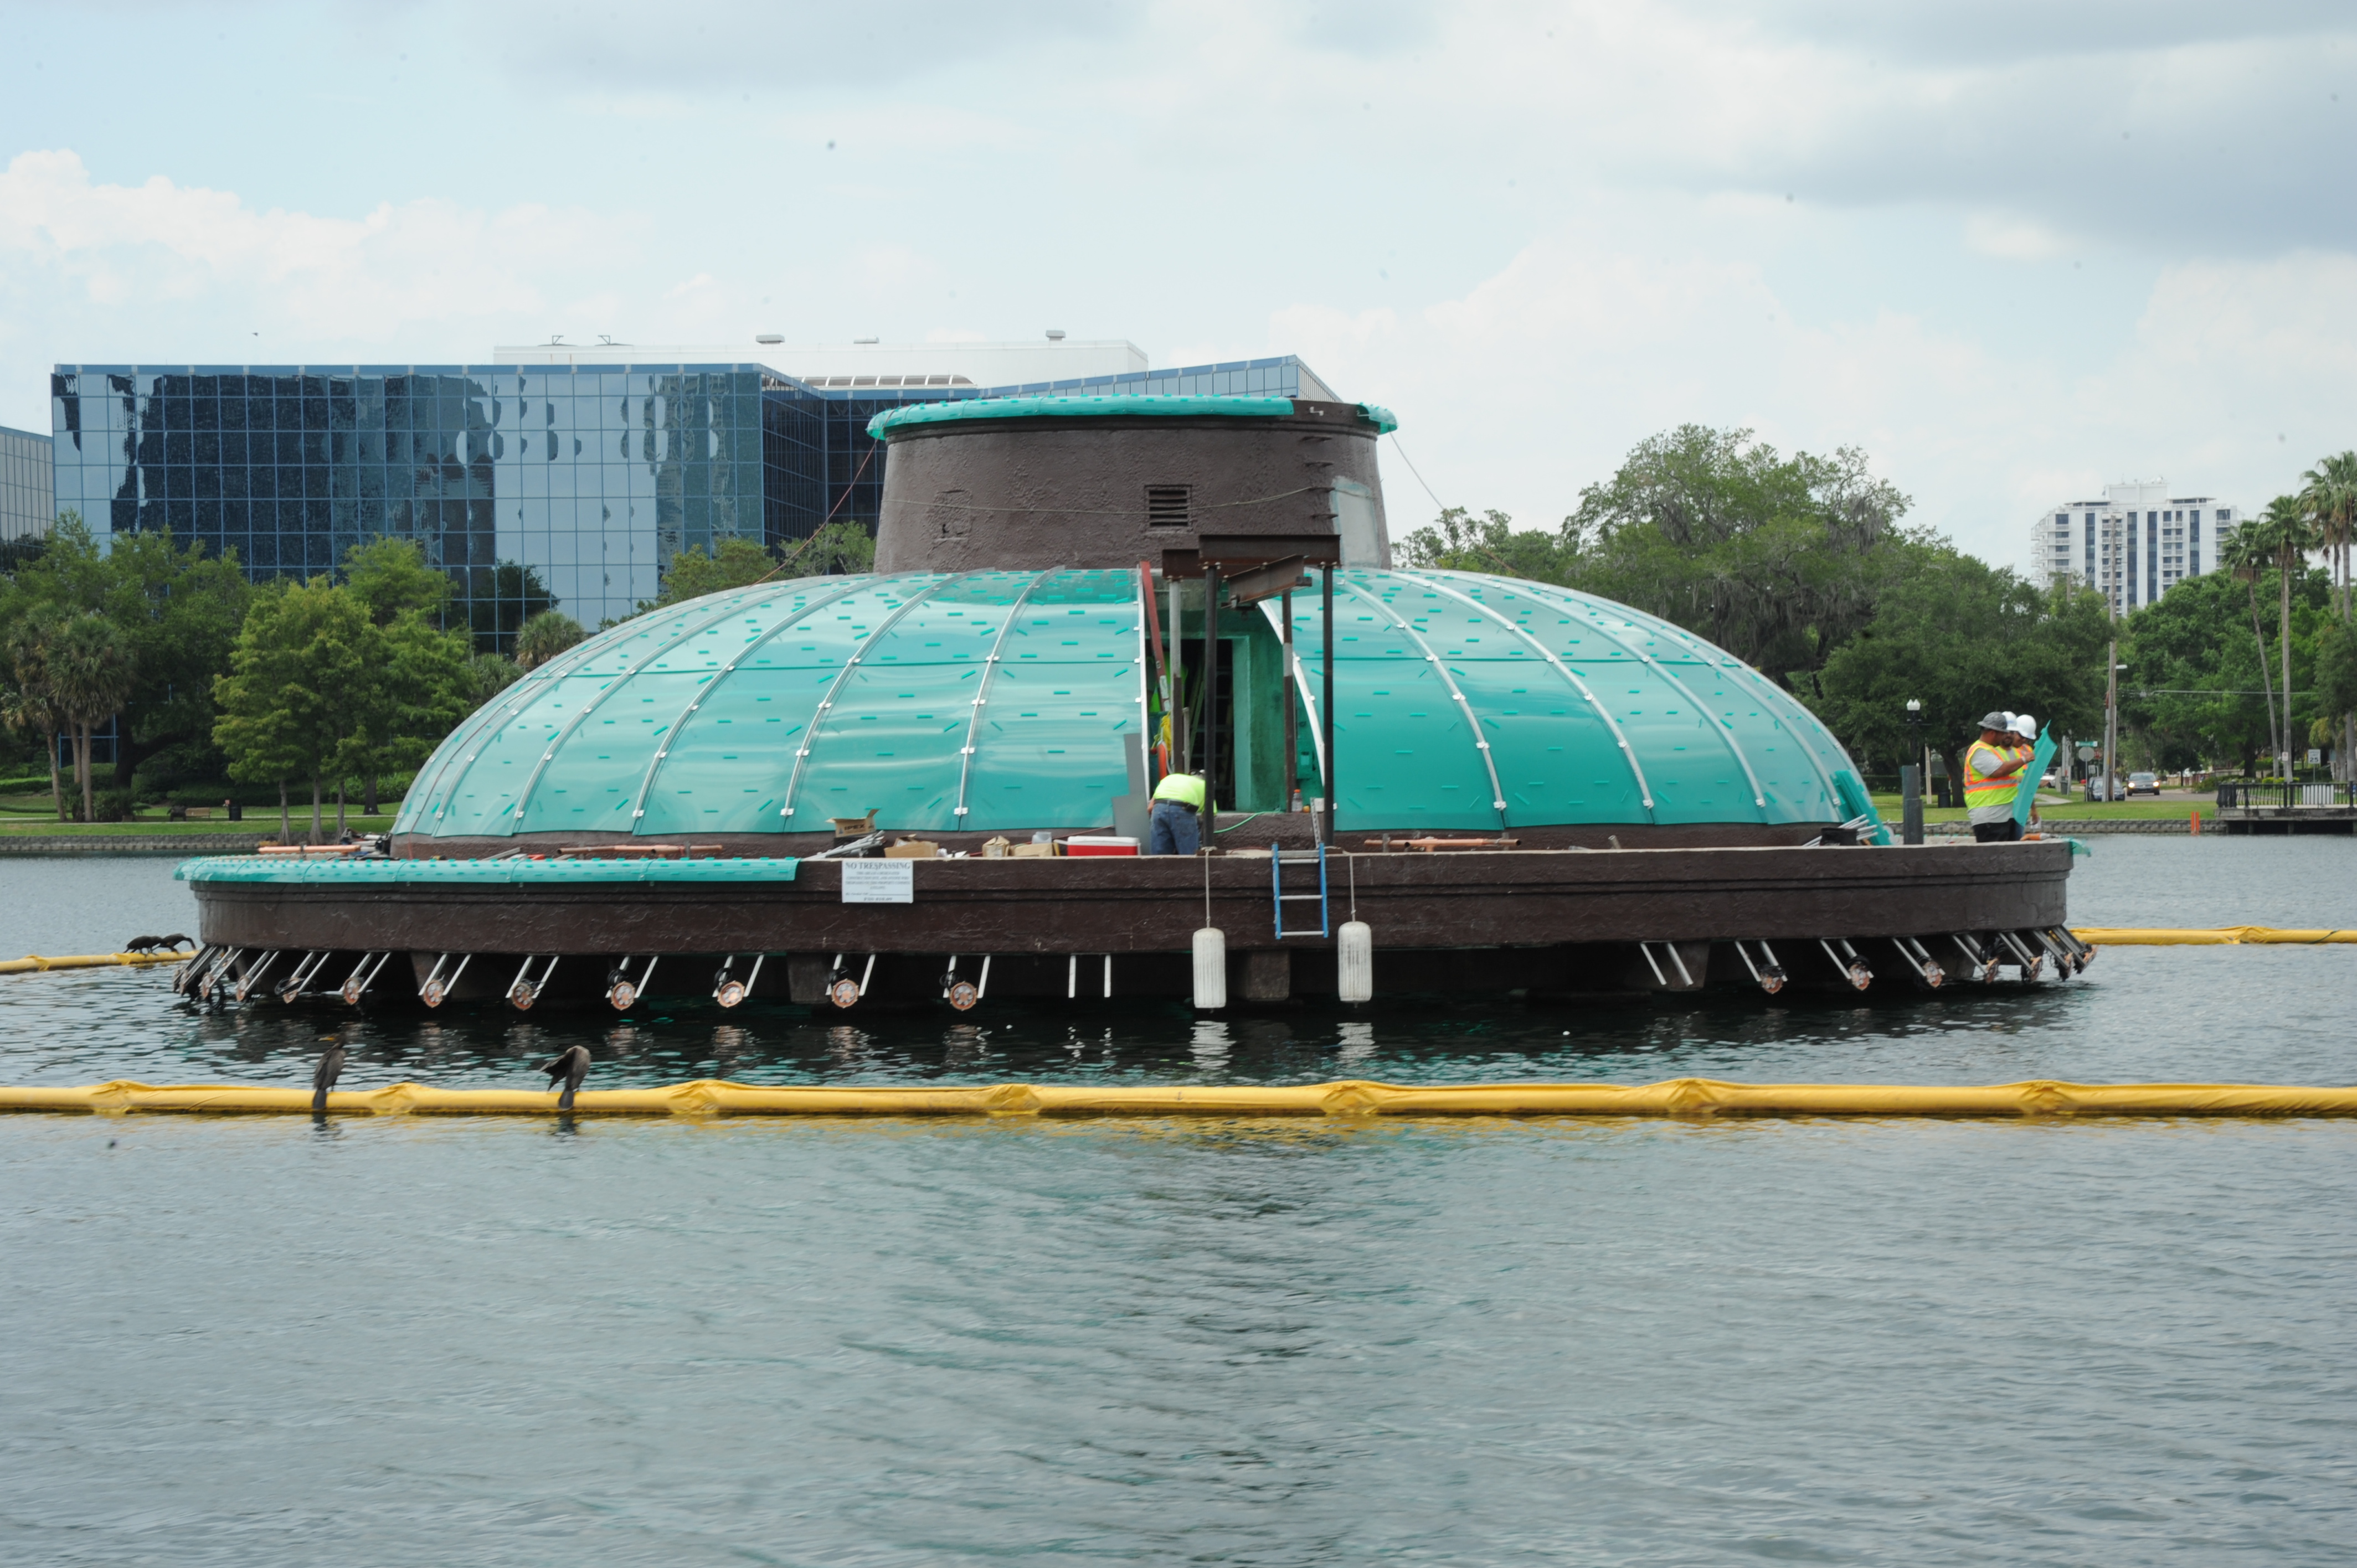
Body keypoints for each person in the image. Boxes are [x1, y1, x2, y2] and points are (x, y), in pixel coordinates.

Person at [1962, 711, 2031, 842]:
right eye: (2003, 733)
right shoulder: (1979, 750)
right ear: (1993, 733)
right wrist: (2024, 759)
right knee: (1993, 858)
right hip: (1989, 815)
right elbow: (1999, 770)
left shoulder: (1992, 750)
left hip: (2003, 813)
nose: (2004, 737)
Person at [1147, 771, 1206, 855]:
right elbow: (1209, 816)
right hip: (1182, 809)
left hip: (1159, 808)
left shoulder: (1170, 778)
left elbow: (1150, 808)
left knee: (1159, 855)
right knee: (1189, 854)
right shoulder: (1204, 785)